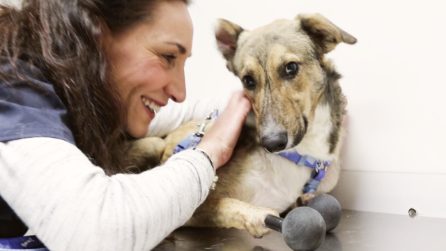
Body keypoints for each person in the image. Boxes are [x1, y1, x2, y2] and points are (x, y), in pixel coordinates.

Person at [0, 0, 250, 250]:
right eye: (167, 57)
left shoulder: (64, 91)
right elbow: (97, 232)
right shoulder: (11, 83)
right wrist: (210, 152)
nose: (179, 91)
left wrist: (253, 99)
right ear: (95, 34)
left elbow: (185, 112)